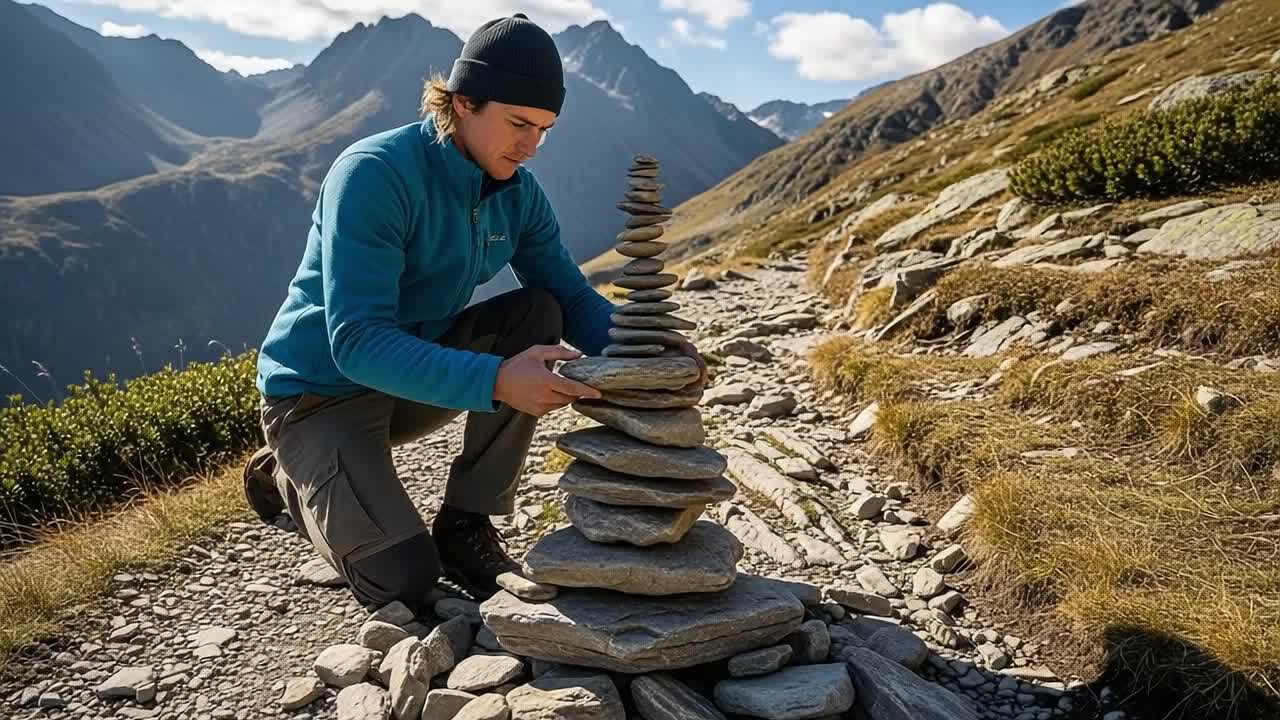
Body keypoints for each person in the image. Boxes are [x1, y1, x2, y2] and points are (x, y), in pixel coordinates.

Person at [243, 13, 704, 610]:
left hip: (408, 387)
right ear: (463, 103)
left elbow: (568, 295)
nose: (532, 146)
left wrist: (647, 350)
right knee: (403, 581)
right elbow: (354, 341)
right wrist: (495, 381)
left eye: (545, 129)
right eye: (518, 124)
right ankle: (286, 472)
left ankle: (467, 524)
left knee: (537, 312)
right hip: (320, 393)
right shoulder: (374, 175)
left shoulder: (518, 193)